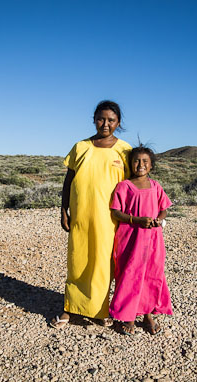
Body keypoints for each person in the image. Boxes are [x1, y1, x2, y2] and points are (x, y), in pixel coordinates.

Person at [50, 100, 132, 329]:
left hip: (110, 218)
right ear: (94, 119)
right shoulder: (80, 147)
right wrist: (63, 209)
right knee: (78, 260)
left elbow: (133, 186)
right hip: (81, 214)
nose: (105, 124)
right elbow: (69, 181)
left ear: (118, 123)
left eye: (111, 120)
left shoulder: (124, 150)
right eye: (101, 118)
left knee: (104, 264)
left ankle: (99, 310)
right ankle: (69, 308)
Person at [108, 145, 173, 335]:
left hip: (153, 238)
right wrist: (136, 220)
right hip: (130, 237)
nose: (140, 165)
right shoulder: (124, 186)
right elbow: (116, 211)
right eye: (136, 161)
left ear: (151, 166)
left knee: (152, 273)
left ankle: (148, 314)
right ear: (130, 164)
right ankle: (128, 315)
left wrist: (159, 220)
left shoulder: (155, 186)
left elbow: (164, 208)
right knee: (130, 273)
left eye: (145, 161)